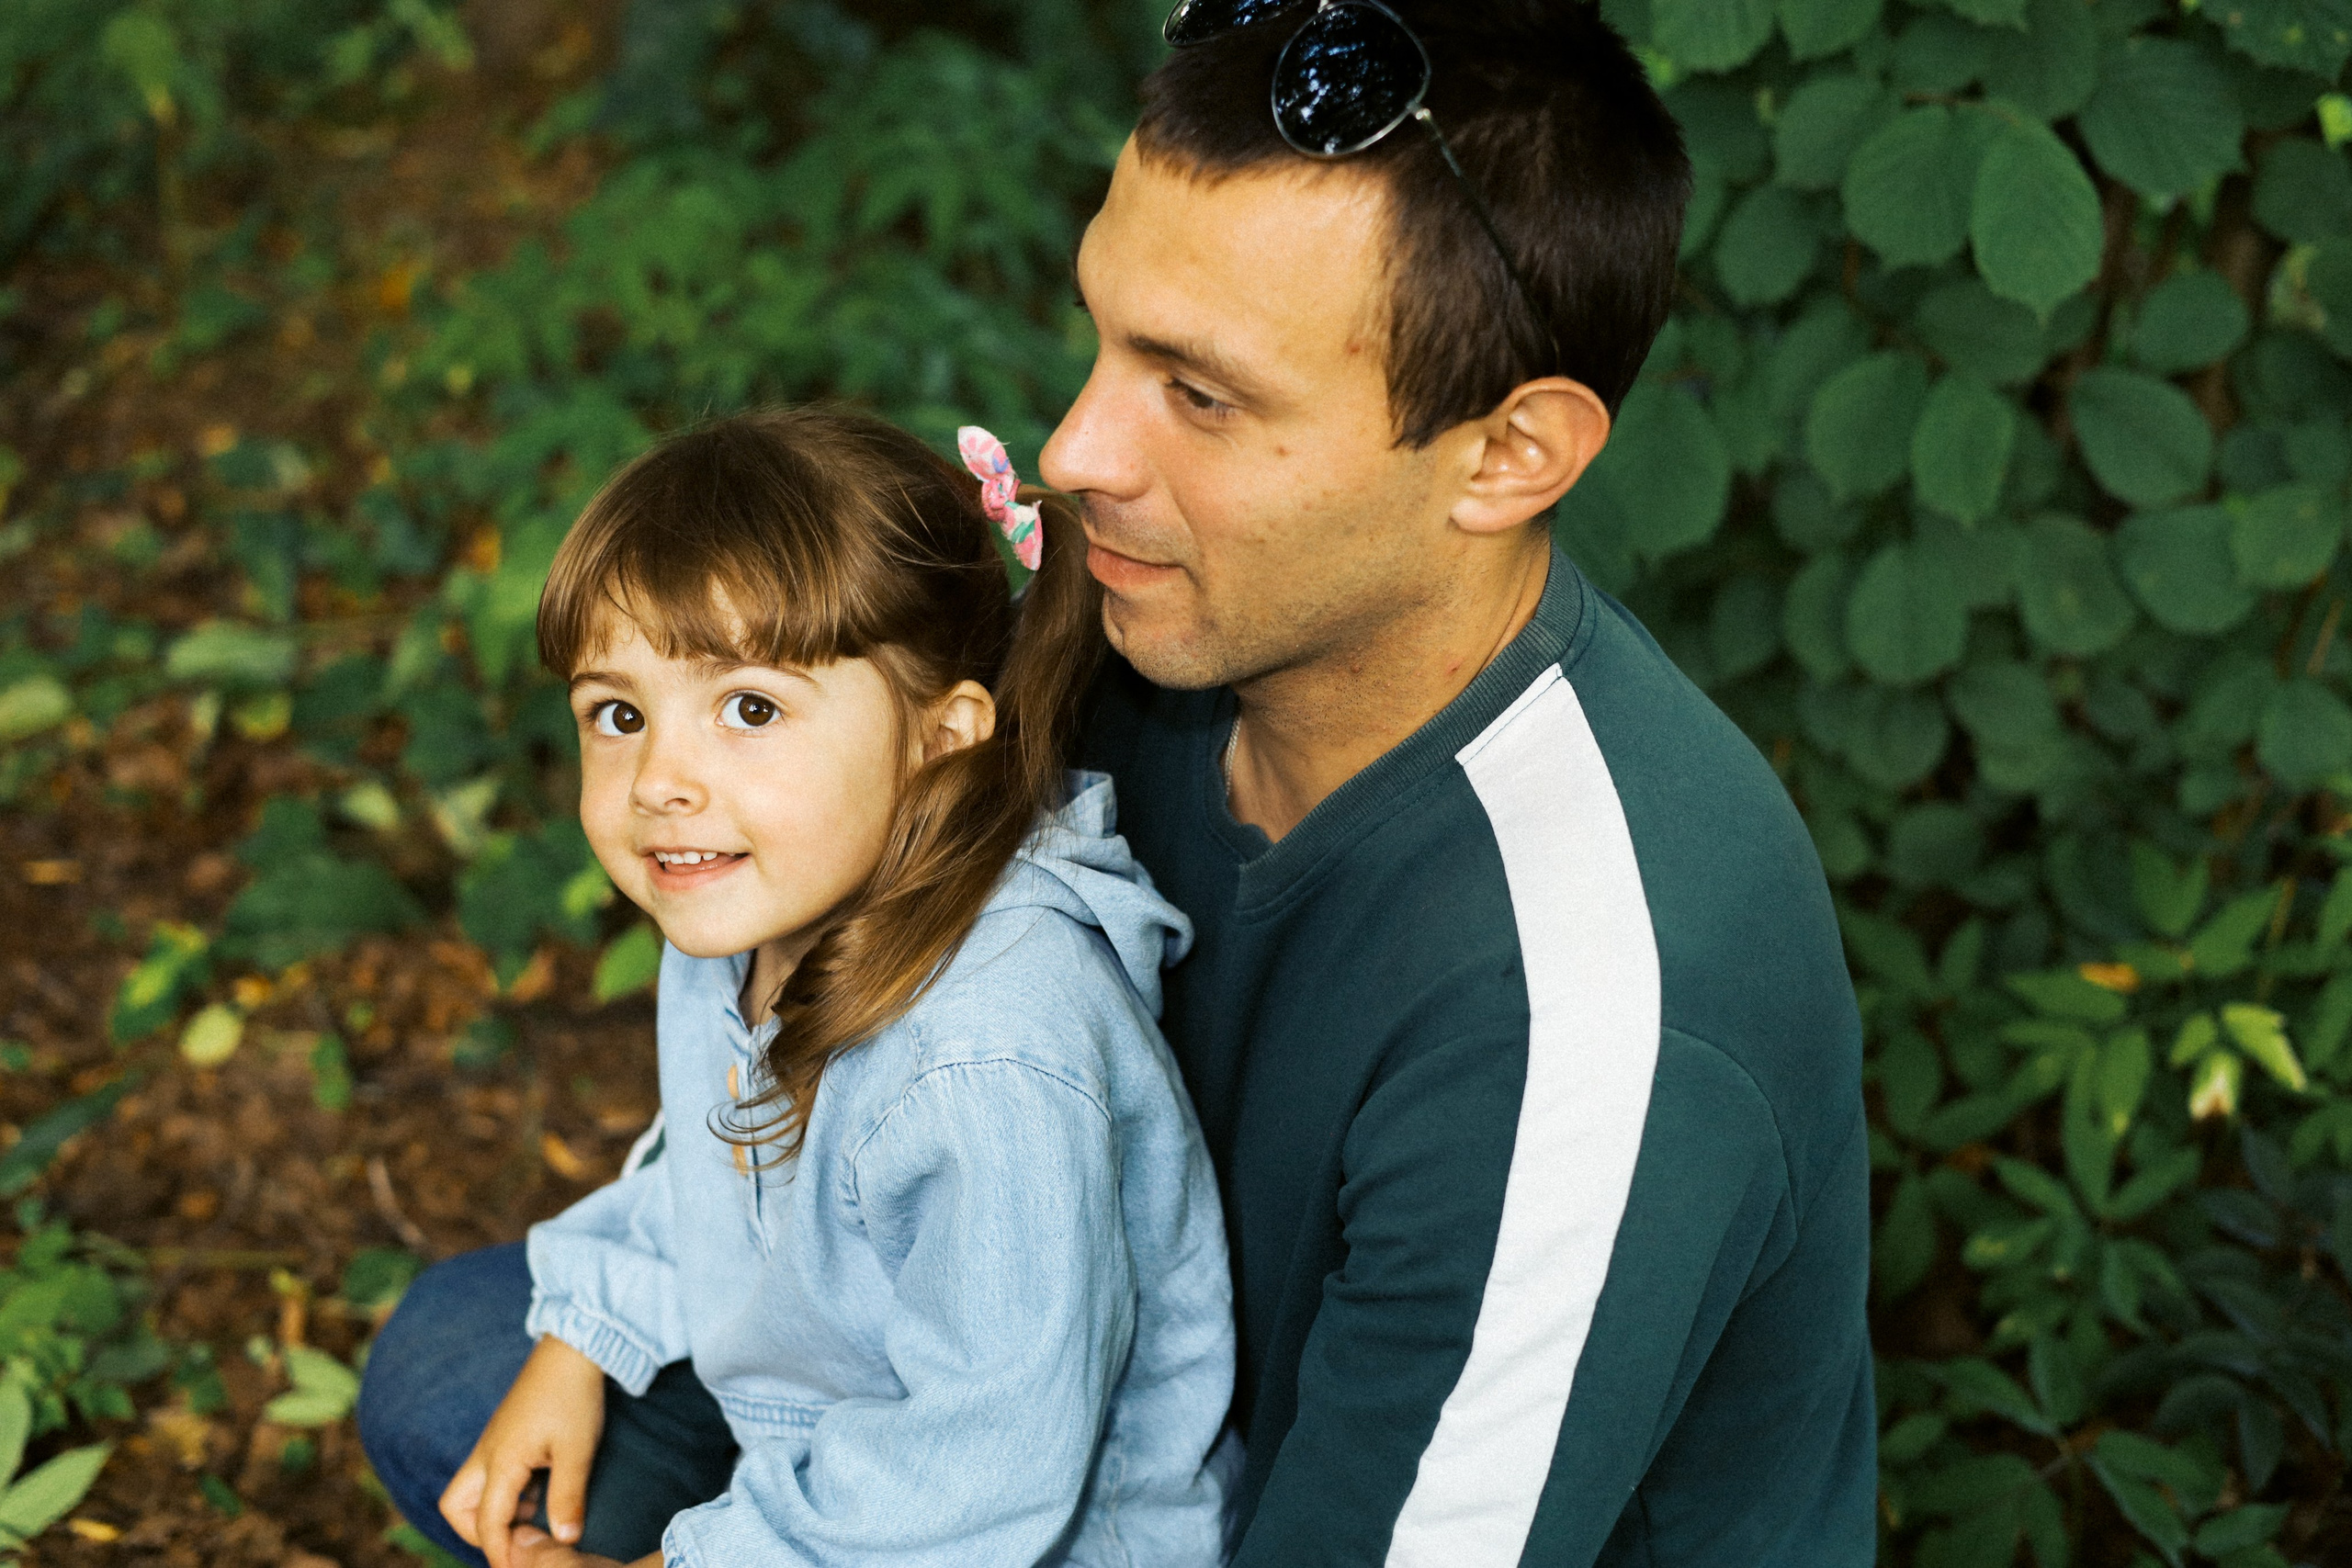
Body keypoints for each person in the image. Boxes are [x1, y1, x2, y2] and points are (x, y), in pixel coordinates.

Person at [1048, 3, 1875, 1565]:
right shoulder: (1145, 623)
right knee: (491, 1378)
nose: (1079, 445)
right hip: (1111, 1440)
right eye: (1103, 334)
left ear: (1508, 457)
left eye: (1200, 394)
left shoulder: (1594, 1013)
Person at [355, 408, 1237, 1568]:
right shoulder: (747, 898)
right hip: (814, 1418)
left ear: (940, 740)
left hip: (1023, 1533)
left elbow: (980, 1468)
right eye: (618, 715)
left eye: (750, 709)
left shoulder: (988, 1057)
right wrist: (583, 1341)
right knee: (454, 1376)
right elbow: (711, 1173)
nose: (663, 782)